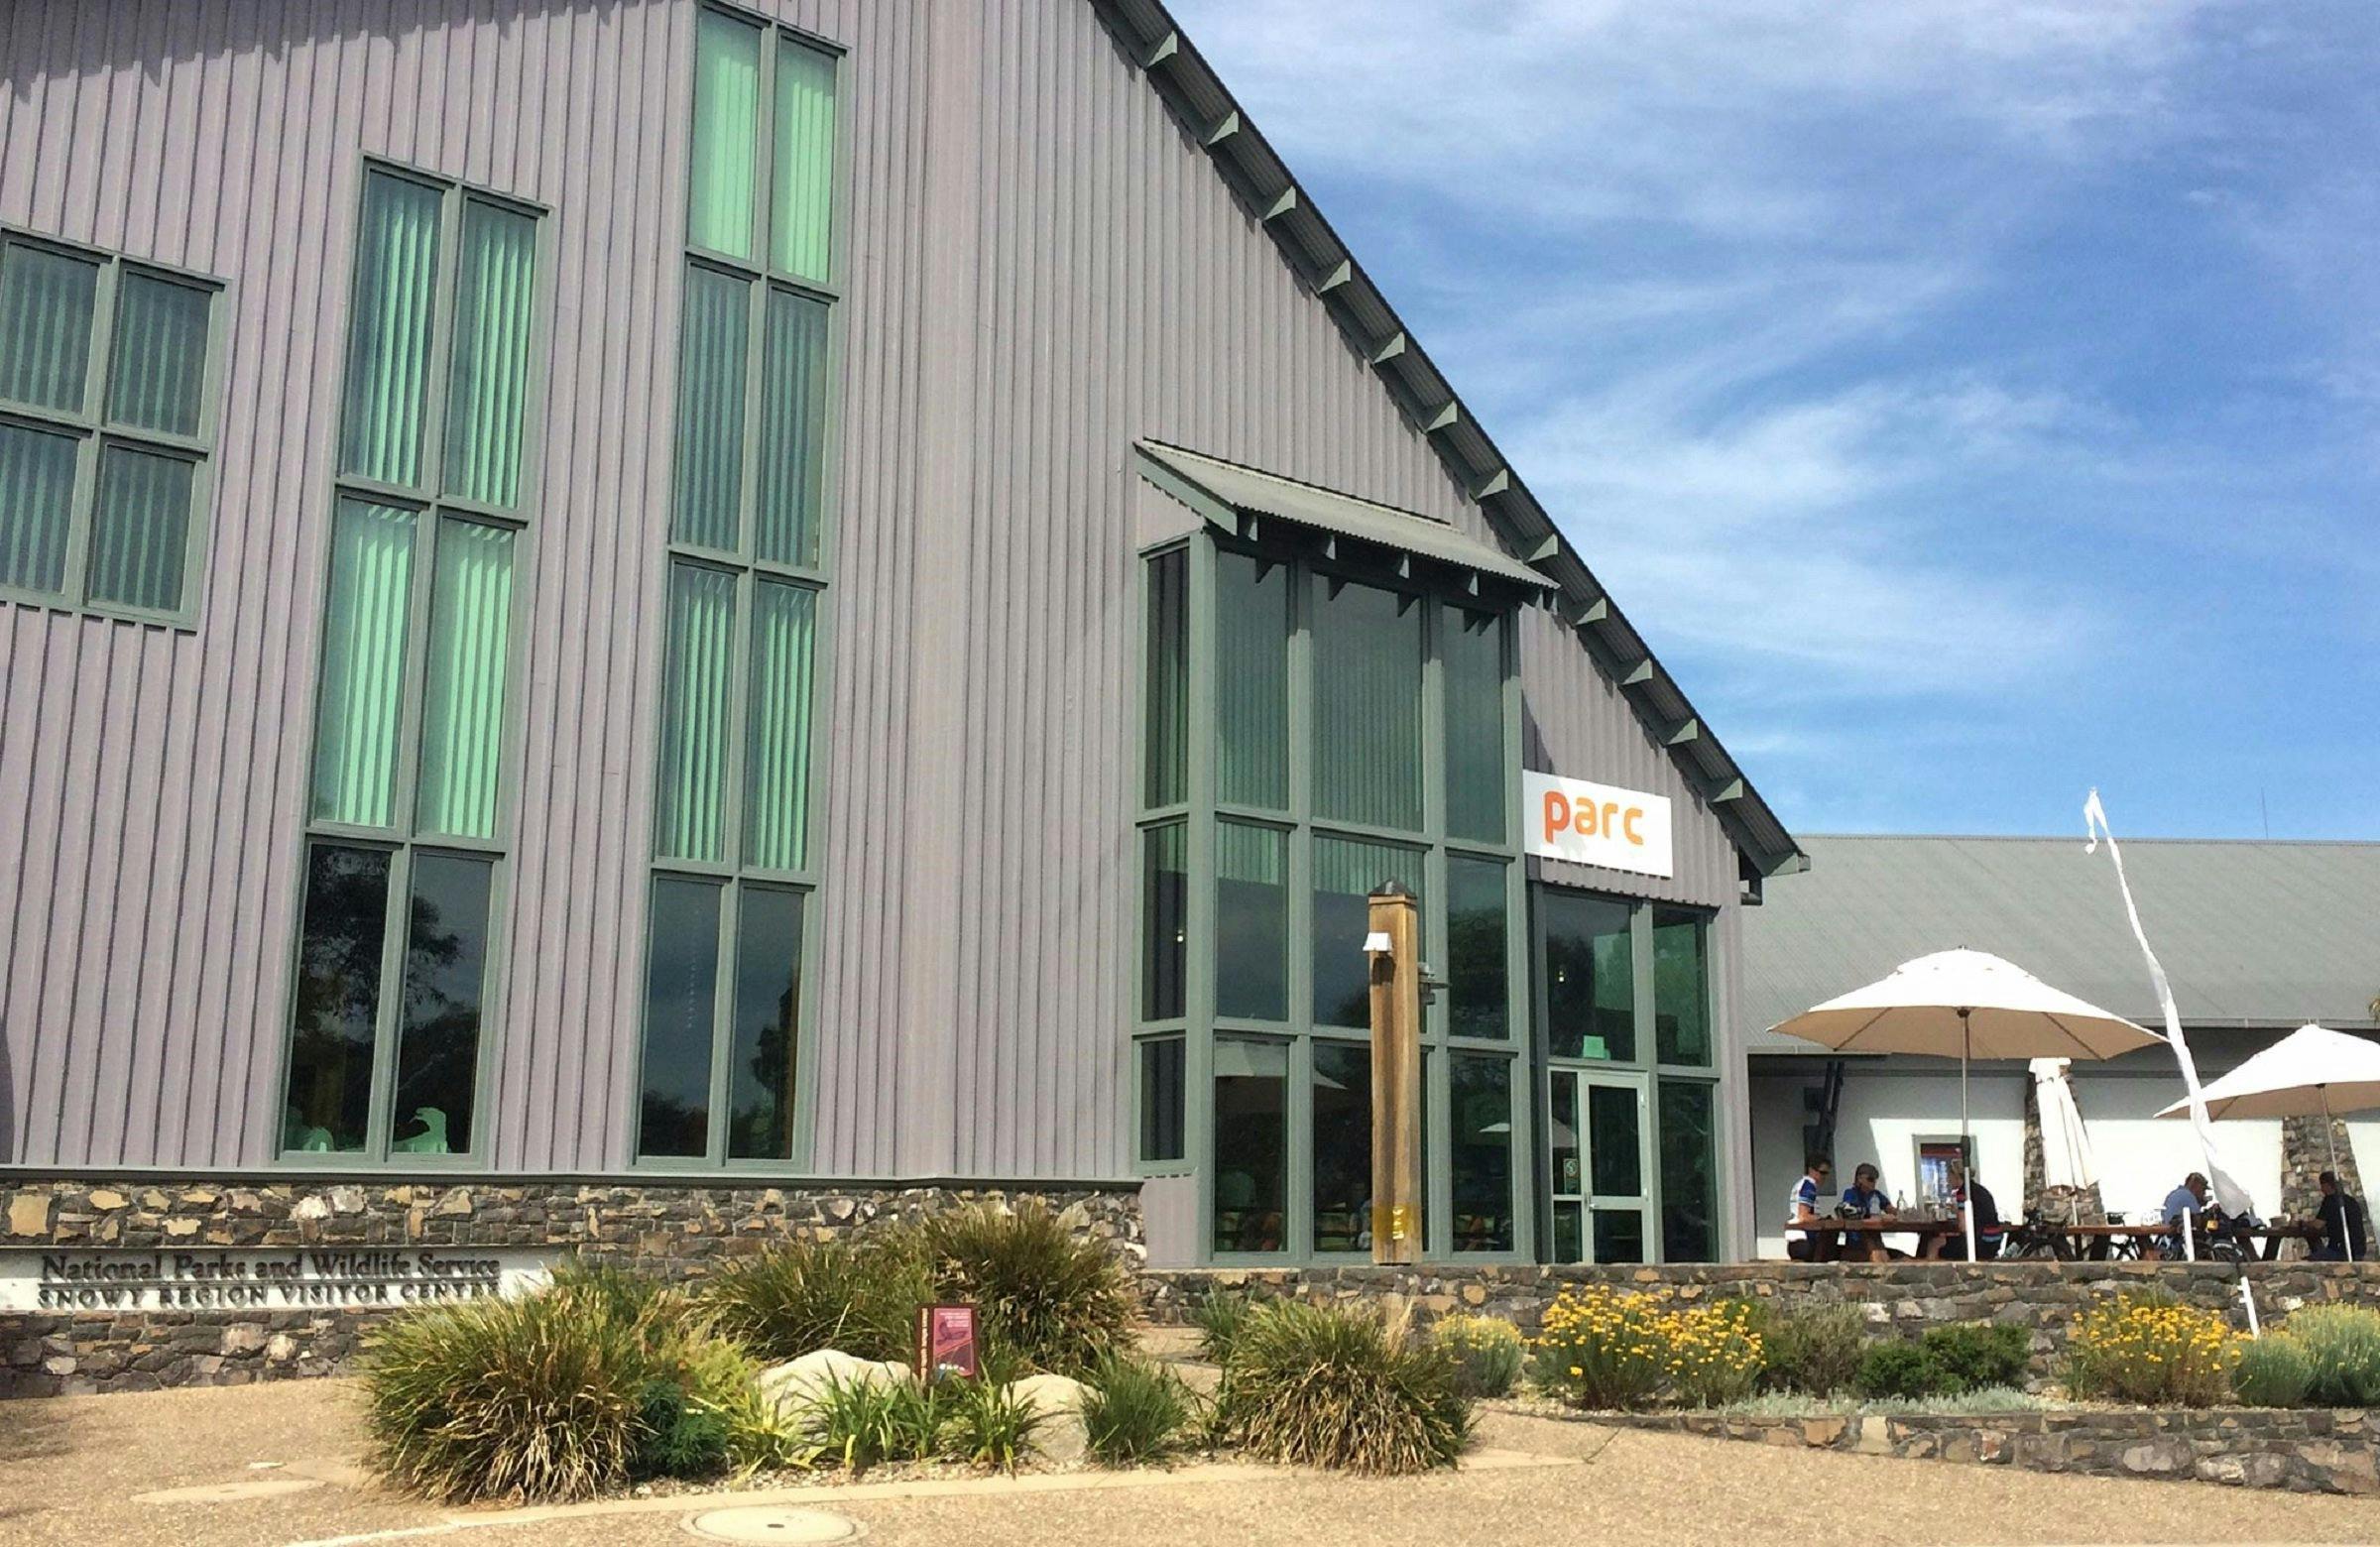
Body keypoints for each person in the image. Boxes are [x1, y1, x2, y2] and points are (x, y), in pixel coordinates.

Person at [1932, 1161, 2002, 1259]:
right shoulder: (1980, 1190)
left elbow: (1963, 1226)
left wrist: (1957, 1216)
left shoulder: (1963, 1193)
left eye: (1949, 1176)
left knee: (1934, 1243)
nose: (1948, 1180)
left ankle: (1929, 1267)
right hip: (1994, 1239)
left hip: (1978, 1242)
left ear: (1956, 1176)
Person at [1837, 1162, 1896, 1262]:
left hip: (1875, 1237)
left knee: (1884, 1253)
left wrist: (1898, 1212)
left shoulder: (1876, 1194)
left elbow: (1891, 1209)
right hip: (1857, 1240)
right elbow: (1850, 1212)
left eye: (1875, 1180)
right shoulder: (1851, 1193)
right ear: (1859, 1178)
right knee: (1876, 1253)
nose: (1873, 1183)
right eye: (1870, 1179)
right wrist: (1879, 1217)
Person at [2314, 1170, 2370, 1261]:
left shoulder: (2330, 1201)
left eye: (2322, 1185)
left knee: (2309, 1262)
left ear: (2327, 1185)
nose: (2321, 1189)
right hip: (2359, 1249)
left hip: (2341, 1250)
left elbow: (2317, 1225)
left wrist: (2302, 1224)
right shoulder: (2351, 1201)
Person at [1784, 1155, 1833, 1260]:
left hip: (1794, 1241)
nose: (1824, 1177)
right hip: (1804, 1241)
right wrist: (1821, 1219)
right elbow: (1803, 1216)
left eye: (1827, 1174)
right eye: (1822, 1173)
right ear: (1811, 1170)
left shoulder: (1800, 1184)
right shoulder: (1809, 1187)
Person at [2161, 1172, 2210, 1258]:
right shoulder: (2189, 1197)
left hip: (2167, 1237)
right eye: (2203, 1190)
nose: (2204, 1194)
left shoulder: (2174, 1194)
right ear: (2197, 1186)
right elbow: (2198, 1220)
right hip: (2178, 1239)